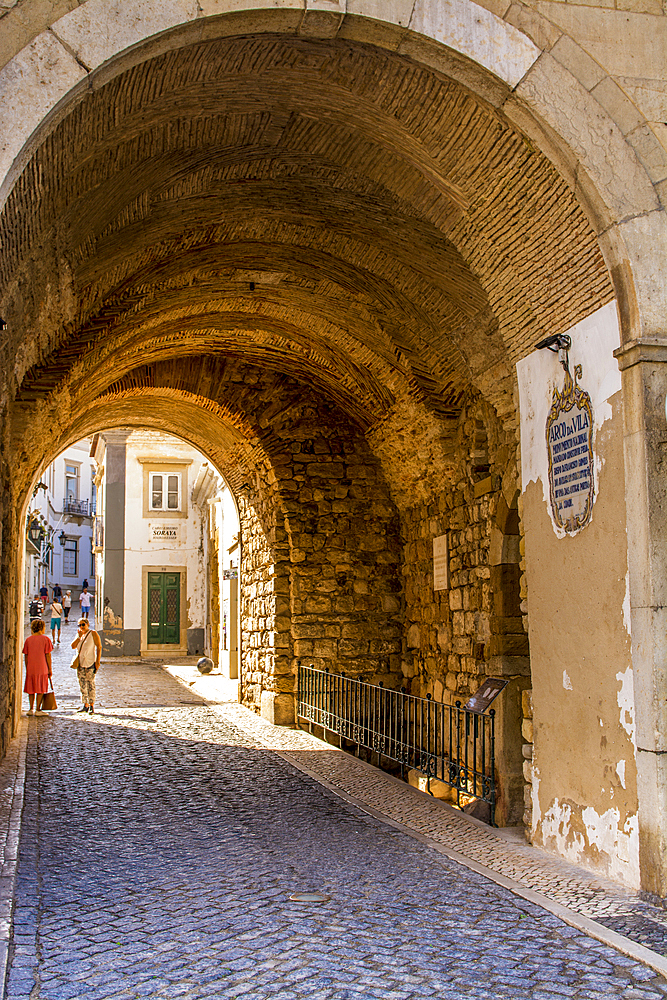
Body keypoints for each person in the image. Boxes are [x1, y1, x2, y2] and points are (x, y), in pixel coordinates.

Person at [23, 618, 53, 716]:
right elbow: (48, 655)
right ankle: (38, 709)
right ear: (41, 628)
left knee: (31, 687)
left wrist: (27, 666)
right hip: (42, 666)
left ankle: (30, 708)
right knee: (40, 687)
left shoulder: (28, 640)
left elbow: (26, 655)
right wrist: (49, 668)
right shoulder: (45, 639)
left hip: (31, 667)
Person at [71, 618, 101, 714]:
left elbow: (99, 646)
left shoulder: (93, 633)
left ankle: (92, 704)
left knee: (90, 684)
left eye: (83, 625)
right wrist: (78, 637)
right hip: (80, 664)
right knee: (82, 685)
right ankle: (85, 704)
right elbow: (73, 646)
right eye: (79, 625)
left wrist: (98, 661)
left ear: (87, 624)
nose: (81, 627)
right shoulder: (79, 635)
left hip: (90, 662)